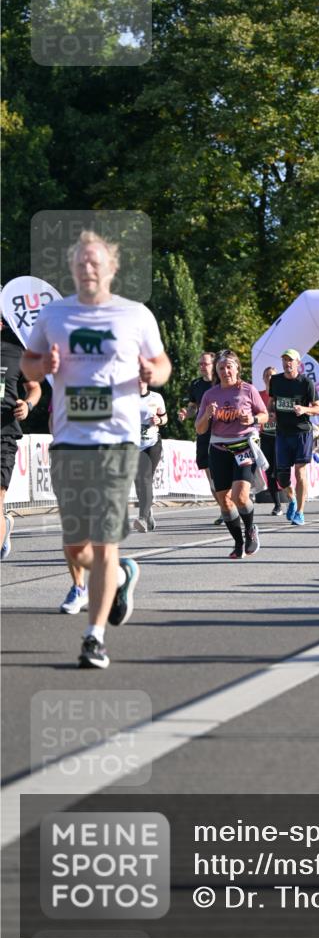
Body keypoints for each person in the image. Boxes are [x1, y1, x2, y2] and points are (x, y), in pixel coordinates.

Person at [22, 230, 171, 668]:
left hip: (118, 441)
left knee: (105, 542)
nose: (88, 268)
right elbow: (29, 361)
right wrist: (42, 365)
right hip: (69, 440)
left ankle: (95, 636)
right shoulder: (54, 314)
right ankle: (123, 575)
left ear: (112, 268)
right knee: (75, 546)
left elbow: (162, 365)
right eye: (80, 262)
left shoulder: (135, 315)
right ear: (71, 268)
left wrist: (151, 371)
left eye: (95, 262)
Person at [195, 350, 267, 556]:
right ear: (216, 371)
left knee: (240, 496)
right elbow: (199, 429)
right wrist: (208, 415)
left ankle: (251, 529)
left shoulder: (248, 390)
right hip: (219, 449)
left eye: (229, 367)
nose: (226, 371)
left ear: (237, 368)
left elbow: (264, 415)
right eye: (221, 368)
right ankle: (238, 542)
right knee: (224, 501)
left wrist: (252, 420)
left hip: (244, 446)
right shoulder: (210, 395)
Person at [1, 320, 41, 561]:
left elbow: (35, 388)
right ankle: (4, 525)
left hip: (3, 431)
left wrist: (27, 406)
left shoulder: (18, 350)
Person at [268, 349, 319, 526]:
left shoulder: (306, 383)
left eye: (290, 360)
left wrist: (305, 409)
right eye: (284, 360)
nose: (287, 363)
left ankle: (300, 512)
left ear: (298, 363)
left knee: (300, 471)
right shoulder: (275, 381)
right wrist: (270, 413)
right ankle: (291, 499)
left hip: (301, 432)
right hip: (282, 432)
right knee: (281, 477)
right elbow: (272, 402)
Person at [177, 351, 224, 523]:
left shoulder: (220, 383)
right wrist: (186, 413)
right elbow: (193, 408)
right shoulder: (196, 384)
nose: (202, 367)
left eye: (206, 364)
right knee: (209, 474)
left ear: (213, 365)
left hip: (221, 432)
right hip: (203, 433)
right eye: (200, 364)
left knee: (222, 473)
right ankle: (223, 509)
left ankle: (230, 506)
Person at [133, 379, 167, 531]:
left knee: (145, 477)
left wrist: (159, 420)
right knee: (139, 481)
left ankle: (142, 517)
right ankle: (147, 510)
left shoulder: (156, 397)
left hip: (151, 444)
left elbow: (165, 418)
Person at [259, 366, 282, 515]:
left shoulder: (281, 394)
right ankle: (277, 505)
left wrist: (277, 416)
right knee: (269, 471)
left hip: (280, 436)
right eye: (267, 375)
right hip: (265, 436)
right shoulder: (259, 395)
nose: (269, 378)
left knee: (280, 471)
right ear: (263, 378)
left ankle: (292, 498)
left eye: (272, 376)